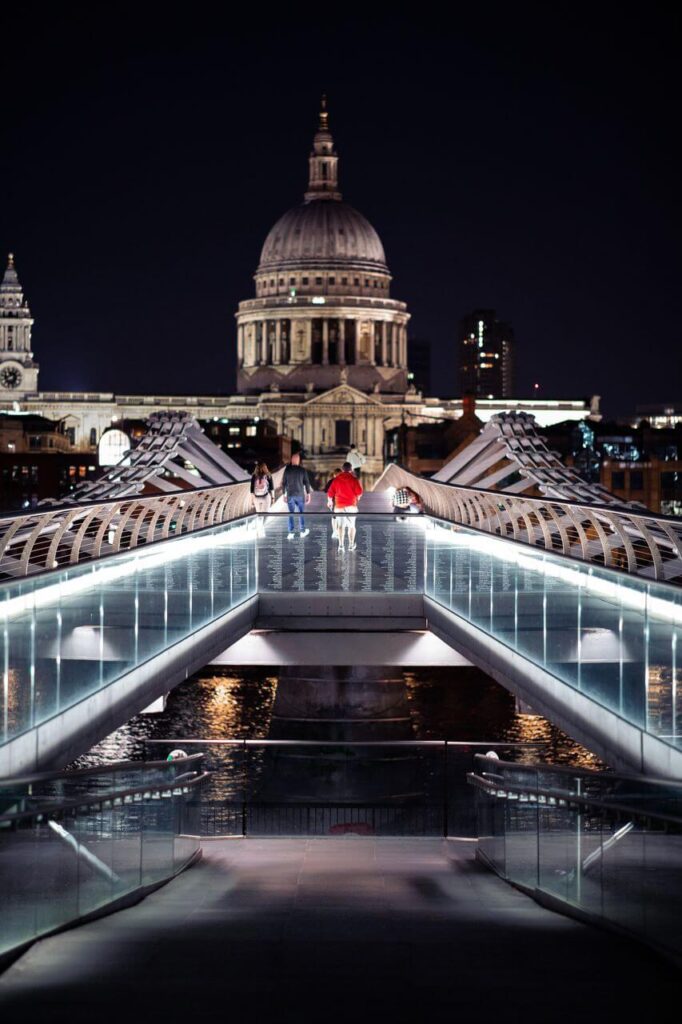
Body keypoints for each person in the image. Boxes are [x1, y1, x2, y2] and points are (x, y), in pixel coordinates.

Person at [327, 461, 363, 552]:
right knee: (351, 526)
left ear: (342, 470)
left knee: (340, 525)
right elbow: (359, 492)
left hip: (339, 506)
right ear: (351, 470)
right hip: (351, 505)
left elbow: (330, 493)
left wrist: (330, 501)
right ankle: (351, 545)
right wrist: (357, 498)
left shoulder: (336, 479)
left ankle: (341, 545)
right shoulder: (354, 479)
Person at [282, 452, 312, 539]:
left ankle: (291, 532)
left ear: (291, 460)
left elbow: (284, 483)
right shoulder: (302, 470)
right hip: (300, 495)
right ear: (298, 461)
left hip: (290, 495)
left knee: (291, 514)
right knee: (301, 513)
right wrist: (308, 494)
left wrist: (284, 494)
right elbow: (307, 483)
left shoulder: (287, 470)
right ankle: (302, 531)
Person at [250, 461, 274, 536]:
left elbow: (251, 490)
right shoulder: (268, 475)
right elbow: (272, 488)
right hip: (265, 497)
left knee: (259, 514)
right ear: (265, 467)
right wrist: (273, 498)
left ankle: (258, 530)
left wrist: (252, 501)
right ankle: (262, 528)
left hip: (256, 498)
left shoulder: (254, 476)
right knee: (265, 514)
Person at [324, 468, 343, 540]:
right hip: (337, 501)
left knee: (334, 517)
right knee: (337, 517)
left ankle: (335, 531)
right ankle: (336, 531)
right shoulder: (341, 481)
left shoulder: (331, 481)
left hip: (332, 501)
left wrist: (329, 500)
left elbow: (326, 490)